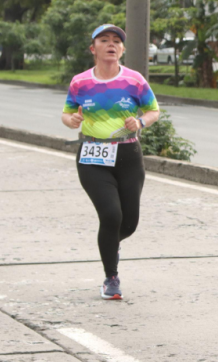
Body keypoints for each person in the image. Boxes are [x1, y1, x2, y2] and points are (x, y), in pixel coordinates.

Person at [61, 24, 160, 300]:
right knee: (111, 216)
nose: (111, 44)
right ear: (94, 49)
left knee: (128, 223)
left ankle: (109, 244)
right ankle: (111, 277)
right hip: (92, 156)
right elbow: (67, 113)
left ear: (123, 49)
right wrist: (73, 121)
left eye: (116, 40)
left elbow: (153, 110)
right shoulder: (80, 82)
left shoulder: (135, 80)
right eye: (104, 40)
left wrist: (139, 121)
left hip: (128, 156)